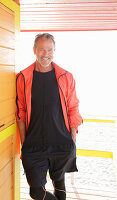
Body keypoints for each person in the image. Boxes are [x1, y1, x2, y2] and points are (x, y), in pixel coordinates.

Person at [16, 33, 82, 200]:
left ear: (54, 51)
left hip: (61, 143)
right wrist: (24, 143)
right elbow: (21, 111)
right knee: (36, 191)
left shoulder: (66, 77)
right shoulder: (23, 77)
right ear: (34, 50)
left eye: (50, 50)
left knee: (59, 184)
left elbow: (73, 109)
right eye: (42, 50)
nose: (46, 54)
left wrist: (73, 141)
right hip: (34, 145)